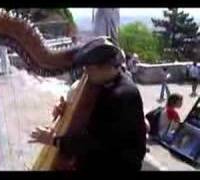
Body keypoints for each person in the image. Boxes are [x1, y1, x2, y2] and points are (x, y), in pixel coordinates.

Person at [29, 36, 147, 171]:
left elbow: (95, 143)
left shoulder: (122, 95)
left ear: (106, 66)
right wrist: (67, 110)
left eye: (89, 68)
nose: (85, 72)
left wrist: (55, 140)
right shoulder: (107, 83)